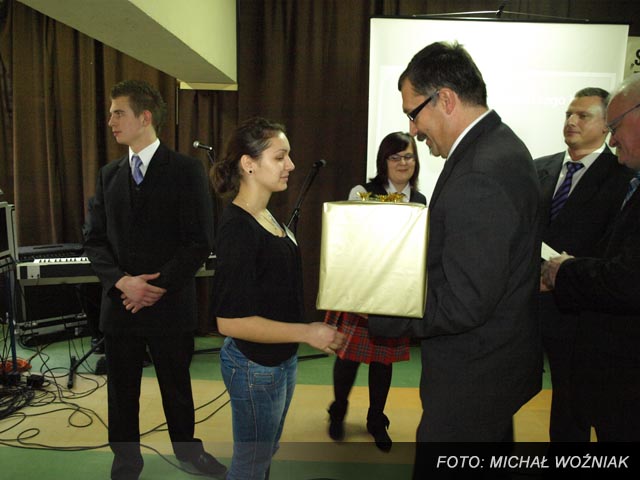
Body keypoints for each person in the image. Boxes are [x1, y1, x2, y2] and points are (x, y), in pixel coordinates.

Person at [368, 41, 542, 451]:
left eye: (413, 114)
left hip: (473, 378)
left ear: (445, 99)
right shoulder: (497, 146)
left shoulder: (480, 172)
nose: (413, 130)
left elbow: (465, 302)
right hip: (490, 369)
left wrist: (389, 311)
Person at [83, 80, 226, 480]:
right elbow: (93, 240)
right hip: (121, 304)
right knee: (121, 390)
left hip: (170, 303)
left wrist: (155, 286)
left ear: (145, 117)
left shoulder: (186, 170)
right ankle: (126, 459)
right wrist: (122, 283)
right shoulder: (108, 175)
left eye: (118, 113)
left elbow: (200, 240)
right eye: (111, 113)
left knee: (176, 386)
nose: (110, 121)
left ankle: (188, 451)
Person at [210, 116, 345, 480]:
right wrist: (307, 333)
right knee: (250, 466)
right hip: (254, 366)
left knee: (265, 454)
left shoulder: (266, 215)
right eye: (280, 157)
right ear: (249, 164)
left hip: (279, 360)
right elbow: (230, 321)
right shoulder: (238, 229)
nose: (291, 165)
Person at [541, 73, 640, 441]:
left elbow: (627, 274)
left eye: (584, 116)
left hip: (593, 324)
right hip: (544, 311)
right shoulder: (539, 167)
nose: (572, 121)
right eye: (569, 113)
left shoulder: (622, 175)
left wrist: (565, 272)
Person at [324, 131, 426, 452]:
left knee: (384, 361)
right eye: (395, 157)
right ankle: (338, 409)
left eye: (408, 156)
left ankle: (376, 418)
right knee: (348, 357)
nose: (403, 163)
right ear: (384, 161)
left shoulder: (420, 200)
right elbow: (350, 240)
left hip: (395, 293)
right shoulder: (362, 193)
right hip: (362, 289)